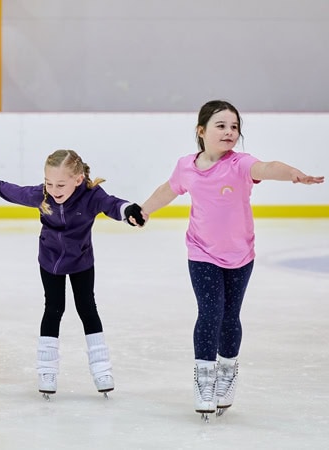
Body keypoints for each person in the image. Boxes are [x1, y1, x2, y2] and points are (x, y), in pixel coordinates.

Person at [137, 100, 324, 420]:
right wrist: (144, 210)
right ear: (201, 131)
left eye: (234, 127)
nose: (229, 132)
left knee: (229, 316)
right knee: (210, 312)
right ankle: (204, 379)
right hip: (202, 253)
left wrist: (292, 173)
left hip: (240, 255)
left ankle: (226, 371)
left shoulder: (240, 164)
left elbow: (267, 167)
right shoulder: (187, 166)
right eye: (221, 126)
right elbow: (167, 190)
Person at [0, 149, 144, 398]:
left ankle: (102, 369)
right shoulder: (42, 195)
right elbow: (11, 191)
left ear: (77, 179)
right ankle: (46, 370)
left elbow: (113, 205)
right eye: (49, 183)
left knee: (87, 308)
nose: (54, 189)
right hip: (50, 259)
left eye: (60, 184)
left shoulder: (91, 195)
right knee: (53, 308)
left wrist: (129, 212)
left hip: (82, 260)